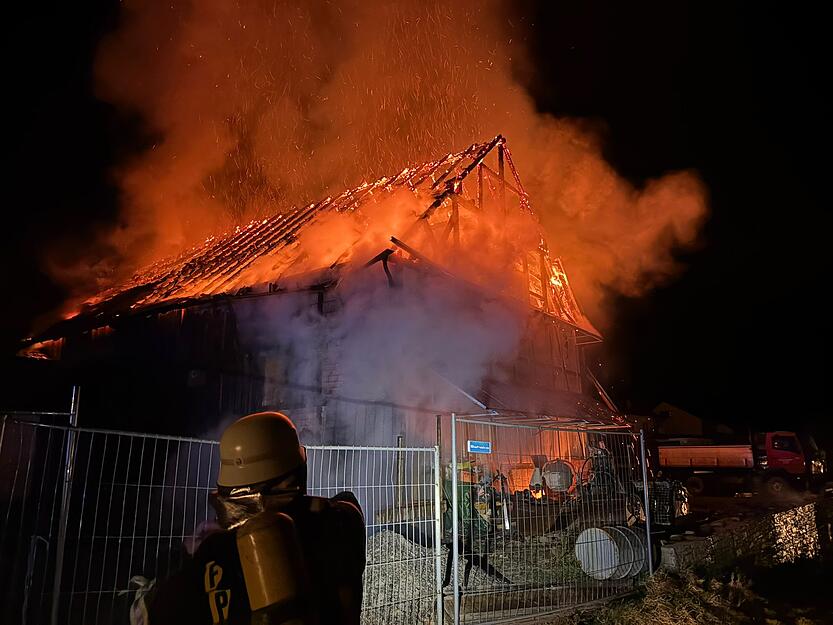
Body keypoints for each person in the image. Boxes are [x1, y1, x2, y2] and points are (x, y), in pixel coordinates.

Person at [146, 412, 366, 625]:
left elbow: (159, 611)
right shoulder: (338, 522)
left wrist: (190, 553)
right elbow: (346, 504)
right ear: (297, 468)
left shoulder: (216, 551)